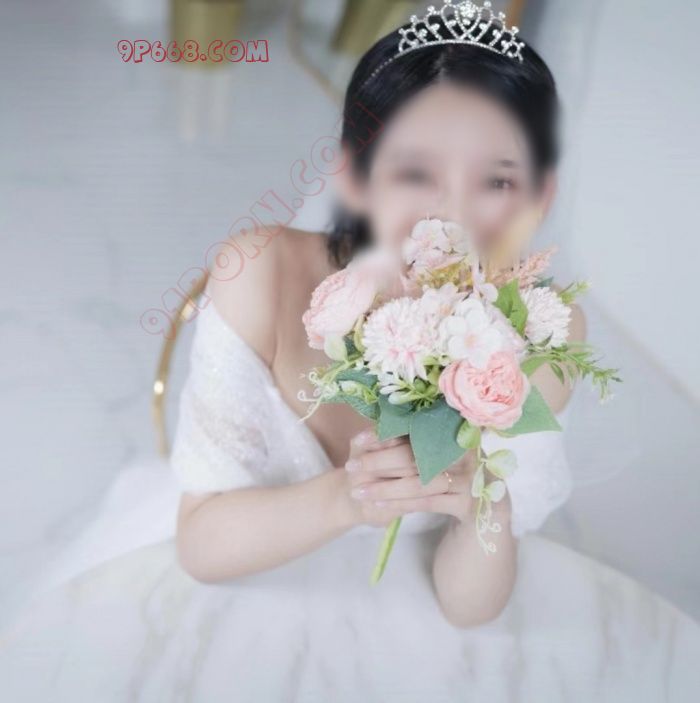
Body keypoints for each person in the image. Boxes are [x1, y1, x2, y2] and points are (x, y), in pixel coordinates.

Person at [2, 3, 699, 701]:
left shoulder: (545, 333)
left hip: (418, 641)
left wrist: (480, 504)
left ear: (540, 196)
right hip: (251, 579)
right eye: (416, 172)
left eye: (496, 180)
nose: (452, 214)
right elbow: (202, 547)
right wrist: (348, 496)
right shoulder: (260, 273)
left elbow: (469, 607)